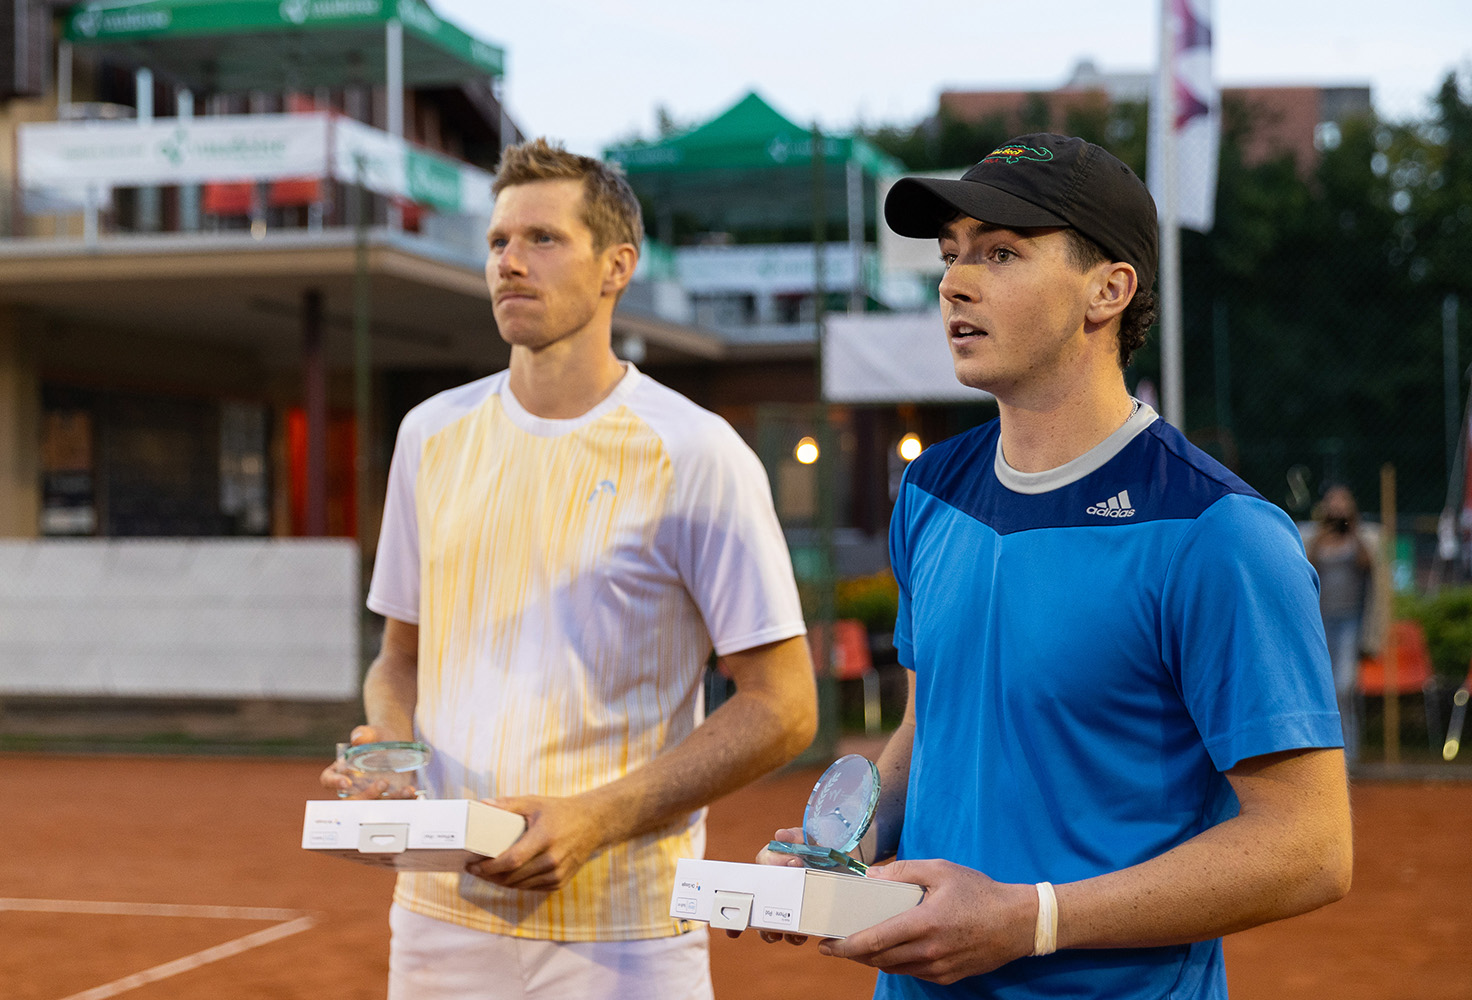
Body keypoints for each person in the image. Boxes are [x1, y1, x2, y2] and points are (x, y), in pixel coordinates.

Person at [752, 134, 1352, 998]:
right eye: (951, 254)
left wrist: (1032, 921)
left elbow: (1310, 847)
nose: (955, 281)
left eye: (1001, 253)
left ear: (1108, 291)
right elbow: (931, 729)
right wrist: (836, 856)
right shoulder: (929, 491)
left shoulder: (1218, 532)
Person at [321, 138, 818, 1000]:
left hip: (625, 931)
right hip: (437, 922)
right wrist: (390, 757)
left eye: (543, 239)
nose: (511, 262)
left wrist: (597, 818)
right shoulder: (429, 434)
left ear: (615, 267)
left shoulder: (697, 452)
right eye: (498, 242)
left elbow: (785, 707)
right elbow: (399, 657)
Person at [1306, 485, 1374, 761]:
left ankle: (1349, 754)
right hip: (1320, 622)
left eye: (1342, 503)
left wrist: (1351, 528)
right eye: (1332, 503)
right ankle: (1326, 754)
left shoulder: (1360, 538)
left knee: (1344, 686)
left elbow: (1367, 564)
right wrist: (1325, 530)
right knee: (1322, 687)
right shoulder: (1316, 538)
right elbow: (1307, 565)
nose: (1337, 508)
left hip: (1349, 621)